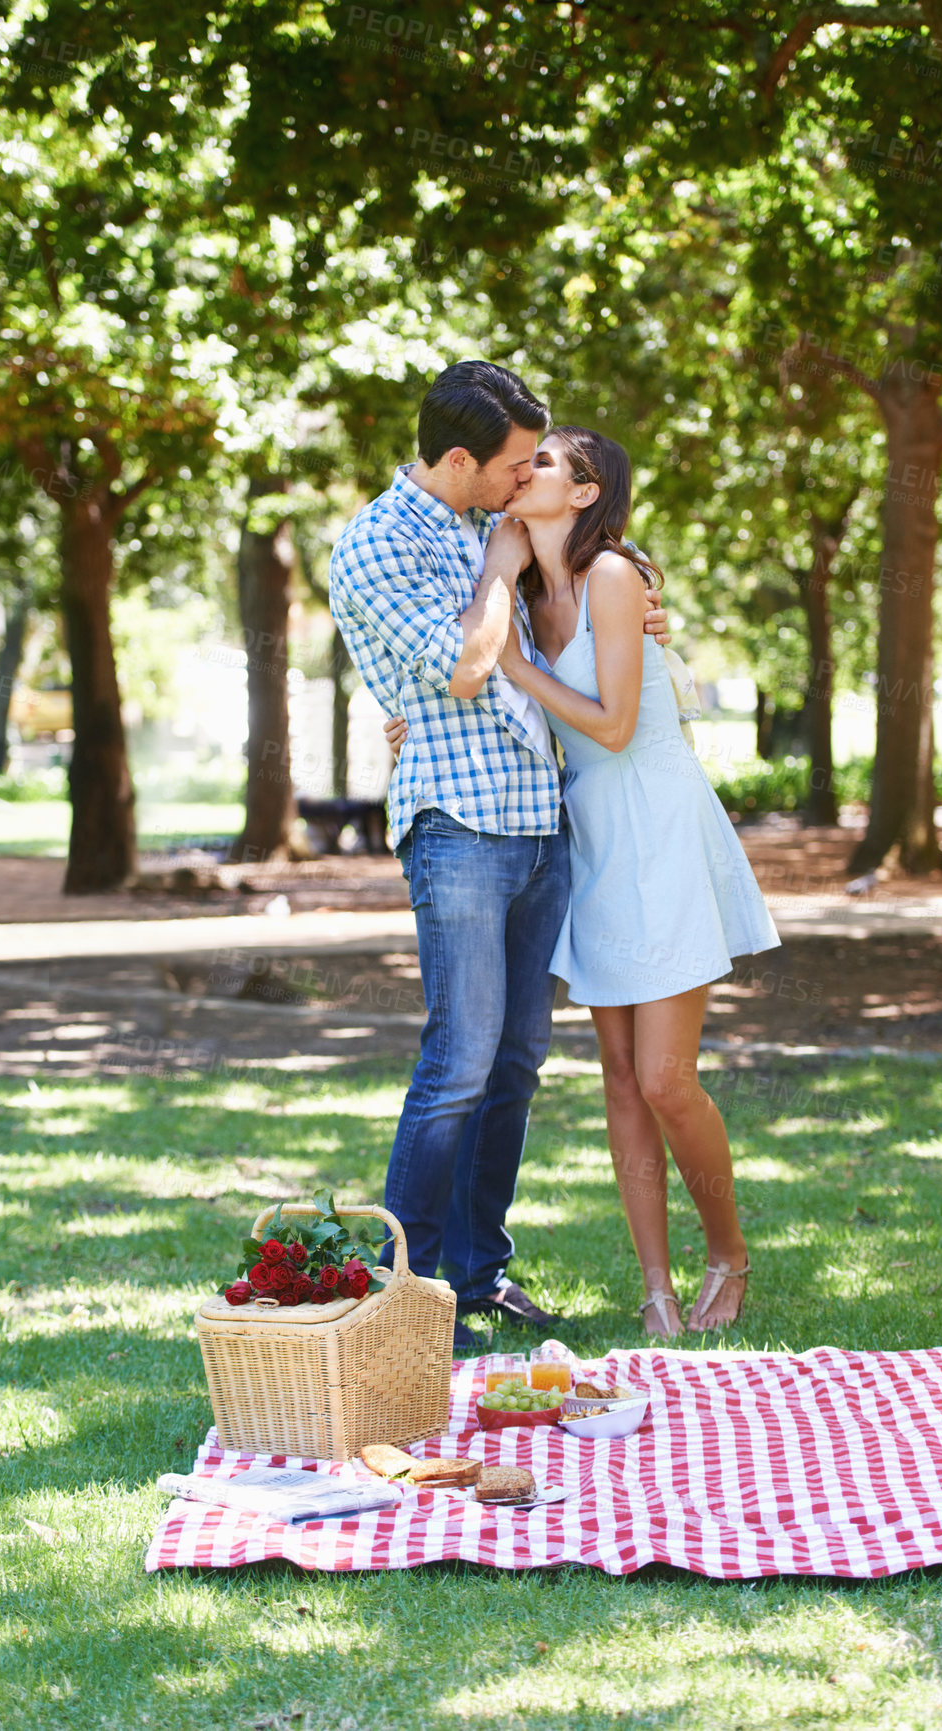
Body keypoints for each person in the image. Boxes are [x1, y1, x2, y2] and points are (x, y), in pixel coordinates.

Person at [329, 363, 670, 1349]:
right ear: (458, 460)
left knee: (516, 1063)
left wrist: (640, 610)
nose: (528, 480)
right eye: (516, 464)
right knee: (458, 1062)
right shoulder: (377, 545)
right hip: (460, 829)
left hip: (538, 823)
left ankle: (478, 1277)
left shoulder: (498, 516)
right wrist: (496, 568)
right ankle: (410, 1296)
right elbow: (469, 667)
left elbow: (597, 576)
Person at [490, 426, 780, 1338]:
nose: (518, 470)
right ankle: (654, 1287)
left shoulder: (617, 577)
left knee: (664, 1078)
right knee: (617, 1078)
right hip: (592, 843)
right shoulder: (526, 594)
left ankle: (728, 1250)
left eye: (539, 463)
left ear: (583, 493)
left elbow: (615, 726)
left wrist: (516, 670)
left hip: (658, 830)